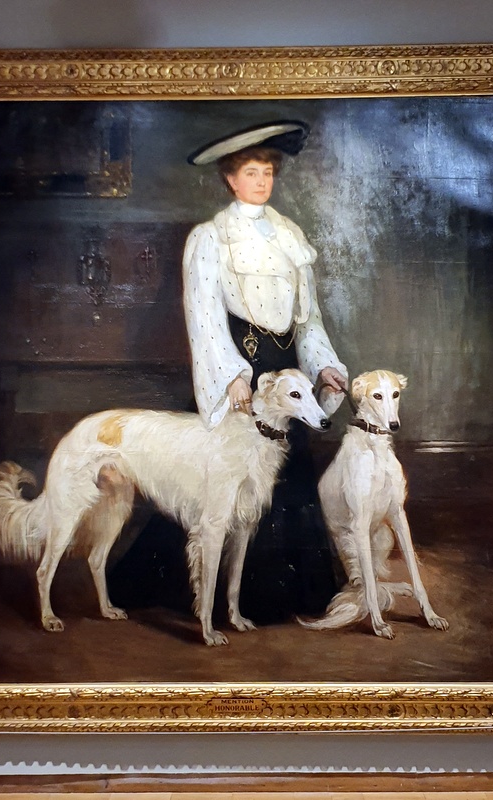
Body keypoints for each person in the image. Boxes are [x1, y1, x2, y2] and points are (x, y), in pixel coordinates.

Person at [182, 120, 348, 622]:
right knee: (232, 482)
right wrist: (231, 375)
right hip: (239, 368)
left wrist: (323, 365)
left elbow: (308, 319)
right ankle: (221, 600)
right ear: (230, 179)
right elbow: (204, 318)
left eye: (268, 171)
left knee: (287, 479)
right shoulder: (210, 237)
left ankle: (286, 598)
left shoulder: (289, 235)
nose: (261, 181)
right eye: (251, 172)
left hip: (286, 372)